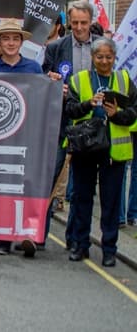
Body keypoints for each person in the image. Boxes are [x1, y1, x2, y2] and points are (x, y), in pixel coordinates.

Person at [63, 38, 137, 267]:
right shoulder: (79, 80)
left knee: (111, 202)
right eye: (99, 57)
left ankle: (109, 250)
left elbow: (134, 113)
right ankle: (80, 245)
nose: (104, 61)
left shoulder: (125, 80)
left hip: (114, 151)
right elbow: (70, 110)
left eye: (108, 57)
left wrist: (116, 114)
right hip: (86, 148)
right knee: (82, 198)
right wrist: (88, 104)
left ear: (114, 58)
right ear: (93, 58)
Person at [0, 19, 45, 257]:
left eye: (15, 38)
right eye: (6, 38)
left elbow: (41, 98)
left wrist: (54, 85)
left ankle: (27, 234)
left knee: (24, 185)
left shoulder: (34, 69)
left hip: (25, 137)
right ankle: (1, 239)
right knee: (0, 188)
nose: (10, 43)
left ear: (21, 42)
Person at [41, 0, 101, 251]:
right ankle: (38, 235)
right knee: (48, 179)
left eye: (83, 23)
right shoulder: (56, 47)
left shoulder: (103, 47)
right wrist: (51, 79)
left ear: (91, 22)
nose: (78, 27)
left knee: (82, 188)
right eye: (74, 22)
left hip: (91, 125)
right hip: (61, 121)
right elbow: (42, 76)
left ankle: (77, 239)